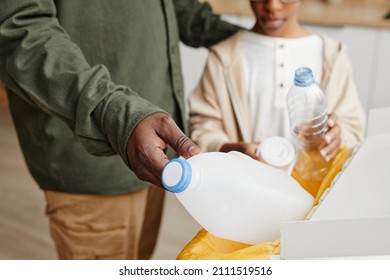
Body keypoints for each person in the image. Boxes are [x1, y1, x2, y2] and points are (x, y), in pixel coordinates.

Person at [0, 0, 241, 259]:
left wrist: (258, 39)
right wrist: (115, 114)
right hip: (91, 162)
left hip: (155, 150)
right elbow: (19, 29)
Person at [189, 0, 366, 164]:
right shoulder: (223, 58)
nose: (272, 6)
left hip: (313, 191)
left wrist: (338, 138)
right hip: (243, 188)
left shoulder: (332, 56)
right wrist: (233, 149)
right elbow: (203, 127)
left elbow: (353, 127)